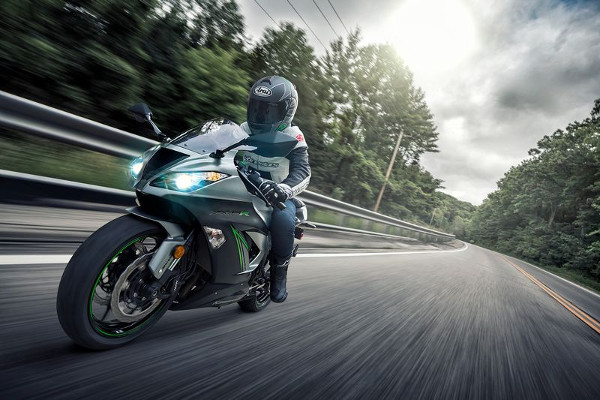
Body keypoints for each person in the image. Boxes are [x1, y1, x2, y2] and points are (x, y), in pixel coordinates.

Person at [238, 76, 311, 303]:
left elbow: (303, 172)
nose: (260, 115)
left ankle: (279, 271)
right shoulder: (242, 128)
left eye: (269, 110)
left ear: (286, 113)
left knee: (283, 220)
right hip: (243, 186)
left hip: (276, 194)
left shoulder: (294, 136)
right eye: (257, 107)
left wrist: (284, 190)